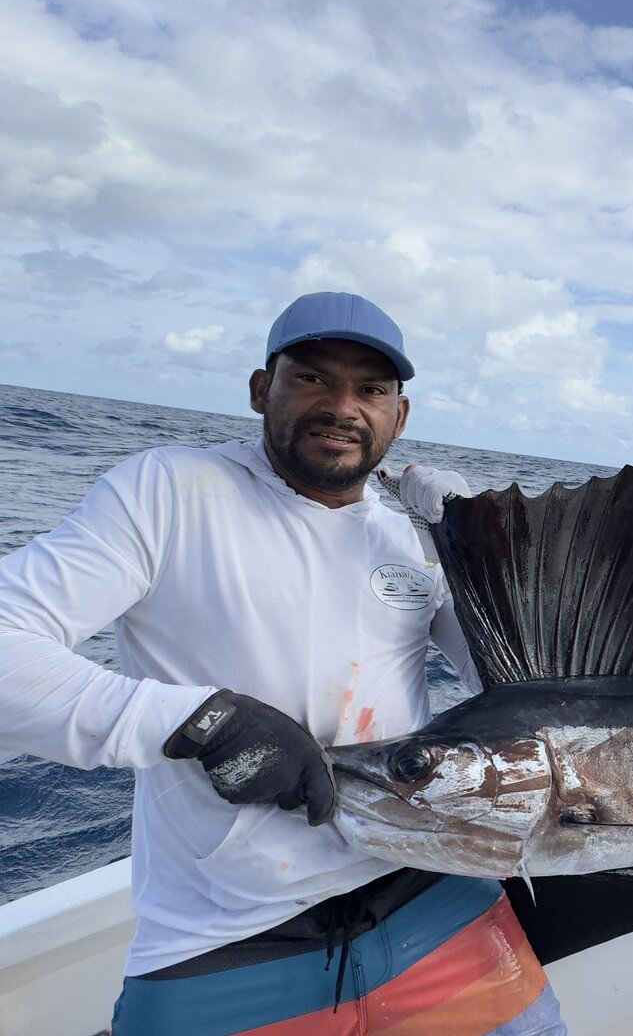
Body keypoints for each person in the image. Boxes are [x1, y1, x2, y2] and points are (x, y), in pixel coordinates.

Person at [0, 292, 566, 1035]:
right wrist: (201, 723)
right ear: (261, 388)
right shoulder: (167, 490)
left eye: (371, 389)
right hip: (227, 943)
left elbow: (524, 689)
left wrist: (483, 550)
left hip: (439, 899)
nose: (342, 407)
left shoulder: (410, 539)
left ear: (399, 416)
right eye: (311, 377)